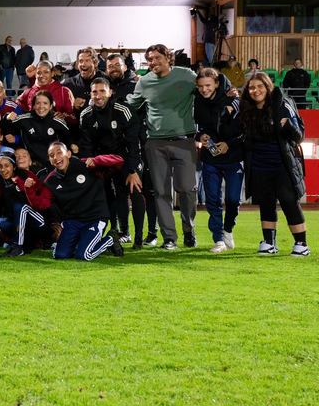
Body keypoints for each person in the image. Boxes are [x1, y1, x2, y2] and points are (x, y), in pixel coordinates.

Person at [126, 43, 199, 251]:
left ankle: (189, 229)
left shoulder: (186, 75)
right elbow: (131, 107)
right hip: (155, 142)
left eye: (157, 58)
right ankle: (169, 237)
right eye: (149, 59)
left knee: (187, 189)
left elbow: (208, 85)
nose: (153, 62)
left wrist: (228, 93)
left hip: (184, 140)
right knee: (160, 192)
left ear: (168, 58)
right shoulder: (144, 82)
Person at [237, 73, 309, 256]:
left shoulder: (283, 103)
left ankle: (302, 244)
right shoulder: (246, 109)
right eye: (252, 88)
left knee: (289, 202)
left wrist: (288, 126)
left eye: (260, 87)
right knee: (266, 203)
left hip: (282, 164)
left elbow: (300, 134)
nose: (256, 91)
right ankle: (269, 242)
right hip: (259, 165)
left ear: (268, 87)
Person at [78, 77, 145, 247]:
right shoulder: (85, 115)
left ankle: (138, 238)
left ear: (110, 92)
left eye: (102, 91)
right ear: (90, 94)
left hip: (125, 158)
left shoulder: (123, 110)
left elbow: (133, 142)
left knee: (135, 192)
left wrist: (132, 170)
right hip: (102, 162)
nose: (98, 95)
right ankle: (117, 232)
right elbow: (86, 145)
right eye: (95, 92)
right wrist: (89, 166)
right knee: (109, 196)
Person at [44, 141, 125, 260]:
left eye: (59, 153)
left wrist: (97, 160)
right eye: (51, 155)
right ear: (49, 160)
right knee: (59, 255)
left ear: (69, 154)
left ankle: (110, 239)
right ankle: (81, 242)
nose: (56, 157)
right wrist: (29, 188)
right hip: (72, 222)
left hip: (95, 219)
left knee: (84, 255)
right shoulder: (51, 180)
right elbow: (40, 203)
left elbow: (119, 160)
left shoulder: (86, 165)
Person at [194, 68, 242, 253]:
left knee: (232, 200)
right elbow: (197, 126)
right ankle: (219, 238)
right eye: (200, 86)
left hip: (234, 157)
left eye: (208, 85)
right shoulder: (198, 102)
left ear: (216, 83)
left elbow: (243, 130)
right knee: (212, 200)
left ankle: (228, 229)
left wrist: (229, 144)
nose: (204, 89)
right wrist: (201, 136)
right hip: (210, 158)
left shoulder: (234, 100)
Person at [0, 151, 54, 258]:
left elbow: (42, 199)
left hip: (40, 221)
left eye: (7, 165)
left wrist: (25, 186)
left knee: (20, 206)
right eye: (0, 166)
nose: (3, 169)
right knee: (3, 225)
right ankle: (29, 244)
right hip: (23, 223)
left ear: (14, 166)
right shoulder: (0, 181)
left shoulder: (27, 176)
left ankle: (17, 247)